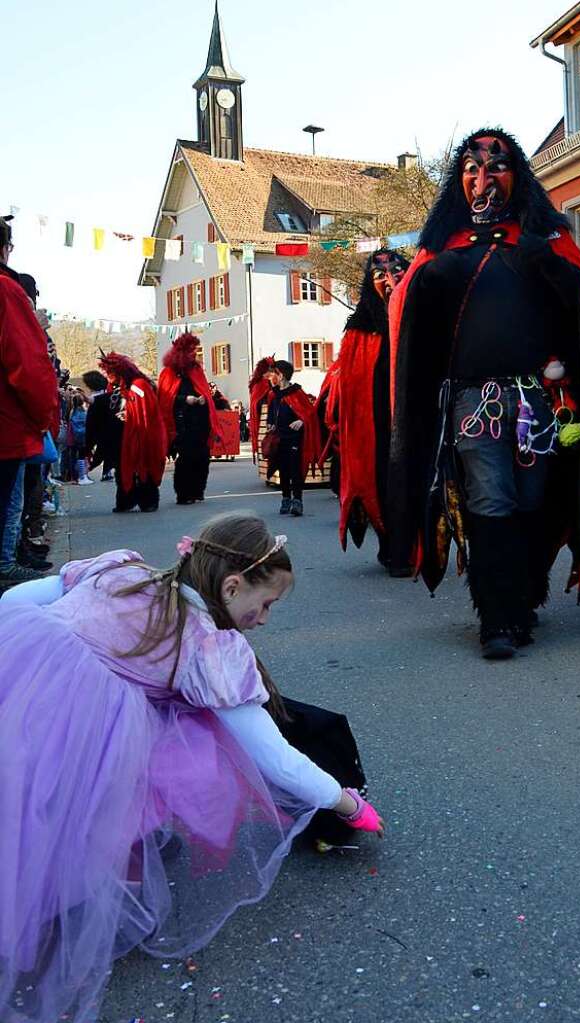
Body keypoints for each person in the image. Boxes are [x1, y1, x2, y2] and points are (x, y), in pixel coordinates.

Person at [0, 513, 383, 1023]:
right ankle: (59, 907)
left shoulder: (123, 571)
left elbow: (12, 601)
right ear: (231, 585)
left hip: (21, 686)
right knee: (143, 778)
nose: (265, 618)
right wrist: (346, 802)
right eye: (265, 603)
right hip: (78, 727)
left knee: (23, 808)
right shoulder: (206, 645)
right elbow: (273, 756)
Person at [387, 127, 580, 658]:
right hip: (474, 402)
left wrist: (550, 267)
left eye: (495, 166)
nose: (483, 176)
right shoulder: (442, 249)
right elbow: (409, 320)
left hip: (540, 399)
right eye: (472, 168)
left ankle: (522, 599)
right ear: (461, 180)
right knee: (489, 498)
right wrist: (428, 283)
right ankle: (496, 619)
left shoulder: (545, 240)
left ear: (515, 174)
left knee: (533, 500)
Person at [335, 249, 410, 569]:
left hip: (414, 418)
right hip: (377, 424)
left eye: (397, 271)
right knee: (383, 480)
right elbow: (350, 387)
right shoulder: (359, 329)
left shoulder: (419, 319)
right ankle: (393, 547)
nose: (390, 278)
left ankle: (415, 545)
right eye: (380, 274)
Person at [0, 218, 59, 588]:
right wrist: (43, 418)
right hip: (6, 426)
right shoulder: (6, 291)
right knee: (8, 506)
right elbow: (28, 364)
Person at [98, 350, 167, 513]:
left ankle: (147, 501)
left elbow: (144, 411)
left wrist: (128, 415)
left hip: (142, 434)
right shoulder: (121, 387)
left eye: (109, 373)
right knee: (124, 468)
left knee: (144, 467)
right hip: (126, 435)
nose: (107, 376)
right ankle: (126, 500)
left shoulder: (138, 386)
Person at [158, 332, 221, 505]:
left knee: (202, 457)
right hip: (182, 424)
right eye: (190, 350)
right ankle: (184, 494)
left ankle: (198, 491)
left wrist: (203, 399)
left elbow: (205, 392)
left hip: (200, 423)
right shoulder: (169, 373)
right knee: (186, 459)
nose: (194, 353)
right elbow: (165, 398)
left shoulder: (196, 370)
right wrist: (186, 399)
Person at [265, 360, 321, 517]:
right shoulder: (273, 394)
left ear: (281, 375)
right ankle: (285, 498)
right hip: (279, 438)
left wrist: (301, 420)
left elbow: (310, 413)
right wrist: (270, 424)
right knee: (283, 469)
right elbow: (271, 413)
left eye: (273, 373)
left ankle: (297, 501)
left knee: (295, 469)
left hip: (295, 438)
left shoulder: (297, 393)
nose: (270, 377)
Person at [82, 369, 115, 481]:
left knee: (101, 450)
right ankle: (105, 470)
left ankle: (91, 469)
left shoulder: (99, 396)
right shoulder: (108, 394)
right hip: (107, 427)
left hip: (100, 427)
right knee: (105, 450)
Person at [67, 394, 94, 485]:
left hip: (72, 437)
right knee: (82, 457)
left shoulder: (72, 412)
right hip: (82, 437)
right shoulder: (84, 413)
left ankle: (74, 477)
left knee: (72, 457)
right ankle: (82, 476)